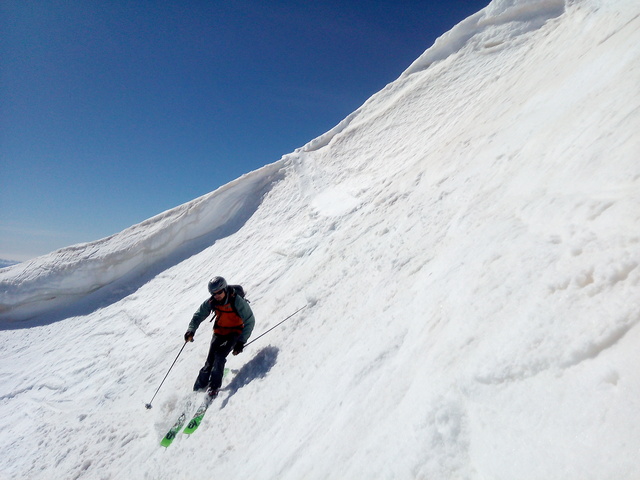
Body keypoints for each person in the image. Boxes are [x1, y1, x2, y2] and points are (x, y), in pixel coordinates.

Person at [184, 276, 255, 397]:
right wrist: (191, 330)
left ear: (224, 289)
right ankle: (198, 388)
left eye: (219, 292)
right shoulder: (212, 302)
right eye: (213, 293)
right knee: (209, 362)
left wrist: (241, 341)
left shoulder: (236, 301)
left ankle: (213, 387)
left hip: (235, 332)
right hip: (219, 332)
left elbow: (250, 320)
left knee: (220, 356)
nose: (216, 295)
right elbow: (198, 315)